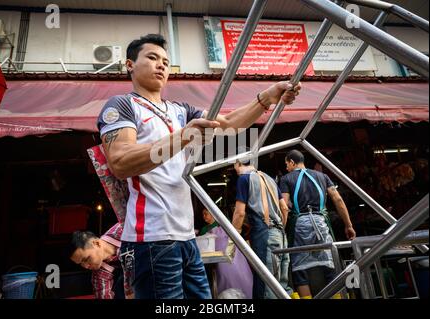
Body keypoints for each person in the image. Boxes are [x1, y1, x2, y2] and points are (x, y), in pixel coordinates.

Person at [97, 33, 301, 299]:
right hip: (152, 238)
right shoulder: (122, 104)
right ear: (129, 65)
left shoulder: (179, 110)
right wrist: (183, 137)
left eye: (166, 61)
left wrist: (266, 98)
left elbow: (227, 126)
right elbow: (121, 162)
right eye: (152, 57)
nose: (161, 65)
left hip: (186, 235)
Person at [279, 149, 356, 298]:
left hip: (299, 226)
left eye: (287, 164)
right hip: (321, 223)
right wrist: (349, 225)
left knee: (299, 268)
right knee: (329, 263)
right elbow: (338, 200)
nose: (286, 168)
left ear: (292, 162)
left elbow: (284, 206)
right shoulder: (322, 176)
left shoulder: (286, 179)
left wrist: (281, 229)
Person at [231, 158, 293, 299]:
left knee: (266, 287)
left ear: (238, 163)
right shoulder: (269, 179)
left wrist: (233, 238)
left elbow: (240, 213)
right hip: (281, 236)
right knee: (281, 286)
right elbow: (284, 208)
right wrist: (279, 228)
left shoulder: (243, 179)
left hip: (264, 236)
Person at [199, 208, 253, 298]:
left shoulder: (208, 231)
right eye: (203, 214)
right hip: (236, 263)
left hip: (225, 262)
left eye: (206, 214)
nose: (204, 216)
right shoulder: (227, 227)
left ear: (213, 214)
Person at [69, 223, 133, 299]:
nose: (86, 266)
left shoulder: (124, 228)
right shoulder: (99, 276)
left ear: (96, 243)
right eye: (81, 264)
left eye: (86, 259)